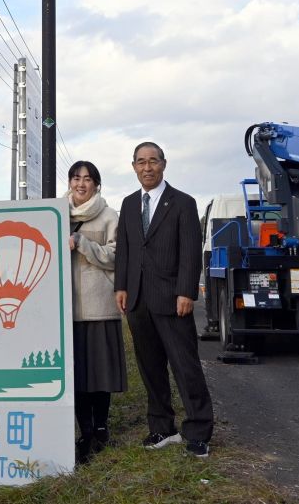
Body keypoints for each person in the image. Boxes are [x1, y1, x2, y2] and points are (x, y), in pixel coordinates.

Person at [114, 142, 213, 458]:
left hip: (173, 299)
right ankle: (162, 427)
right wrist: (121, 286)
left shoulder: (183, 203)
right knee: (150, 367)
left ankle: (198, 431)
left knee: (185, 366)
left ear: (164, 164)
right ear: (133, 166)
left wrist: (186, 290)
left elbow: (190, 251)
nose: (147, 167)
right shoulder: (129, 204)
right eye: (141, 162)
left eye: (153, 161)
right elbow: (126, 250)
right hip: (138, 300)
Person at [67, 160, 127, 464]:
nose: (81, 184)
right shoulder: (55, 214)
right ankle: (84, 430)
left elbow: (117, 257)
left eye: (87, 179)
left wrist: (82, 244)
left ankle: (101, 428)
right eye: (76, 178)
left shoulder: (108, 216)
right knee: (76, 374)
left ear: (96, 184)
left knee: (100, 374)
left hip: (100, 305)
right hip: (66, 309)